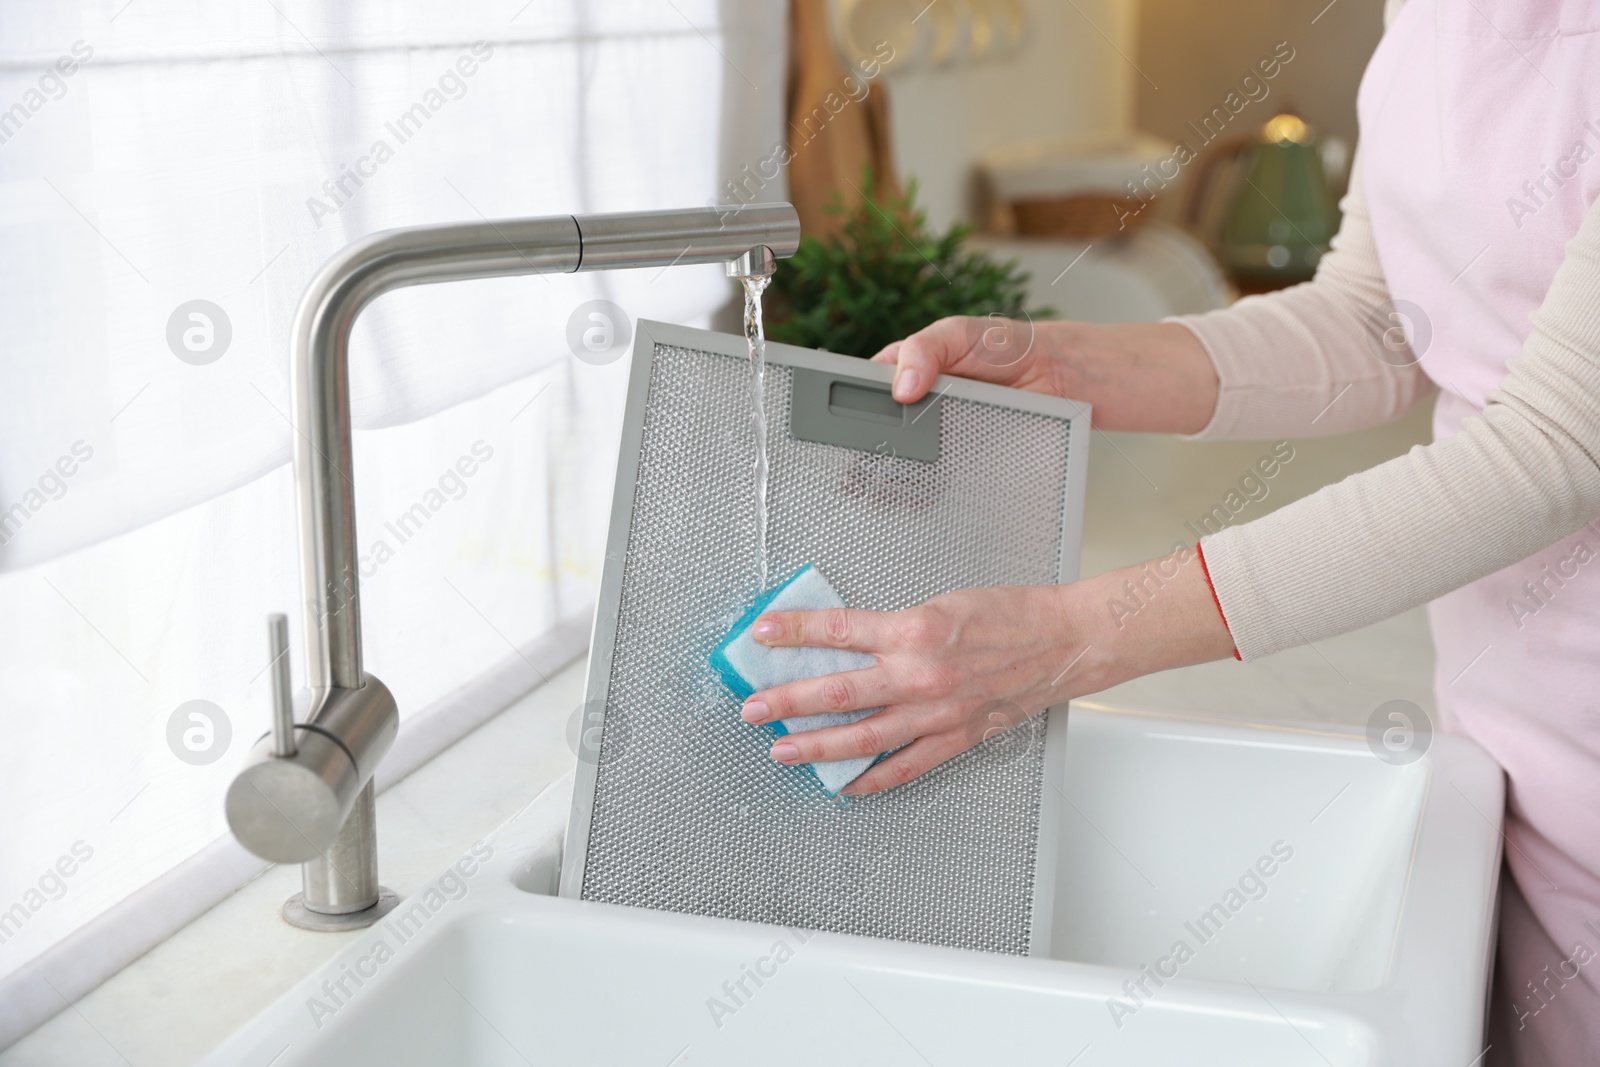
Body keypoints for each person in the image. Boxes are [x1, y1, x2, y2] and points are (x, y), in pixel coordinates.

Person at [736, 0, 1600, 1062]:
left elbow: (1559, 444)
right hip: (1511, 725)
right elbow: (1378, 320)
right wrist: (1065, 365)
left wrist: (1063, 638)